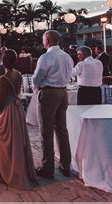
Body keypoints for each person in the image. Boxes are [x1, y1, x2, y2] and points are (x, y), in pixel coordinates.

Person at [0, 49, 36, 190]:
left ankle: (7, 172)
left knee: (6, 144)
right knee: (17, 142)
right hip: (18, 110)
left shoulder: (4, 78)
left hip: (8, 111)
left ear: (4, 61)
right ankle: (18, 169)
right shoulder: (18, 74)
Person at [32, 30, 73, 179]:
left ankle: (47, 167)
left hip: (49, 93)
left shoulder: (46, 57)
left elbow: (36, 78)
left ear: (47, 40)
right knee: (62, 130)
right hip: (63, 93)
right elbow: (70, 74)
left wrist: (37, 91)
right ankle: (65, 165)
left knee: (46, 131)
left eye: (43, 39)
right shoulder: (67, 57)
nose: (43, 42)